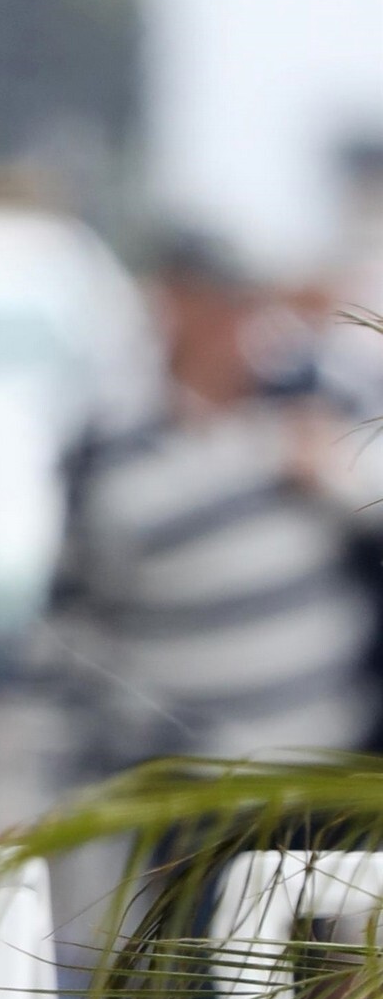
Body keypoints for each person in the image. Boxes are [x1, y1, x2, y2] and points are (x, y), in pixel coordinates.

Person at [50, 225, 383, 777]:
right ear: (171, 305)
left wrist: (336, 473)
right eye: (213, 305)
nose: (232, 325)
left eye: (243, 305)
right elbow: (75, 619)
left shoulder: (319, 393)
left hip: (332, 758)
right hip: (190, 769)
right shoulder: (109, 444)